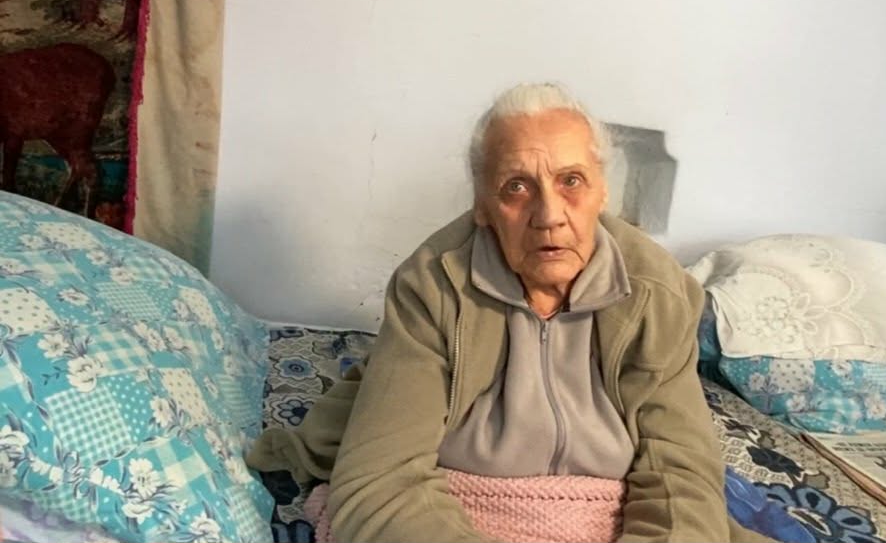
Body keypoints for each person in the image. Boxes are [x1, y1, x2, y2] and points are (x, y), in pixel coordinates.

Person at [250, 83, 773, 543]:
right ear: (482, 206)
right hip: (462, 502)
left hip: (608, 504)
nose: (549, 215)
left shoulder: (658, 295)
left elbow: (681, 476)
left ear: (602, 192)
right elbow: (380, 480)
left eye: (571, 181)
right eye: (516, 187)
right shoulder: (431, 288)